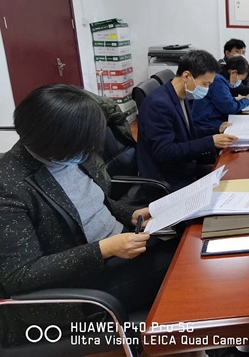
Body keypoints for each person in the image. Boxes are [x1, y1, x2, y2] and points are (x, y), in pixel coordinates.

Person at [0, 84, 176, 345]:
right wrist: (104, 249)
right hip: (77, 287)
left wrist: (130, 214)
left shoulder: (68, 155)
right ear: (51, 140)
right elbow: (20, 275)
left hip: (118, 246)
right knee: (180, 267)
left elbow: (94, 200)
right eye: (80, 148)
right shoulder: (9, 186)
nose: (86, 155)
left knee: (185, 239)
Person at [137, 50, 238, 191]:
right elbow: (165, 151)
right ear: (186, 76)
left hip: (186, 167)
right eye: (205, 84)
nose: (207, 89)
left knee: (234, 176)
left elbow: (185, 132)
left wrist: (217, 129)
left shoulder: (181, 96)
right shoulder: (158, 104)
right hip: (168, 180)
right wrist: (210, 142)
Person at [192, 55, 249, 134]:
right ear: (233, 72)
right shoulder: (218, 80)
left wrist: (234, 99)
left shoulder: (220, 77)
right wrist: (247, 100)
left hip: (211, 120)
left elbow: (222, 101)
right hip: (208, 124)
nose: (240, 82)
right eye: (240, 79)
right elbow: (229, 107)